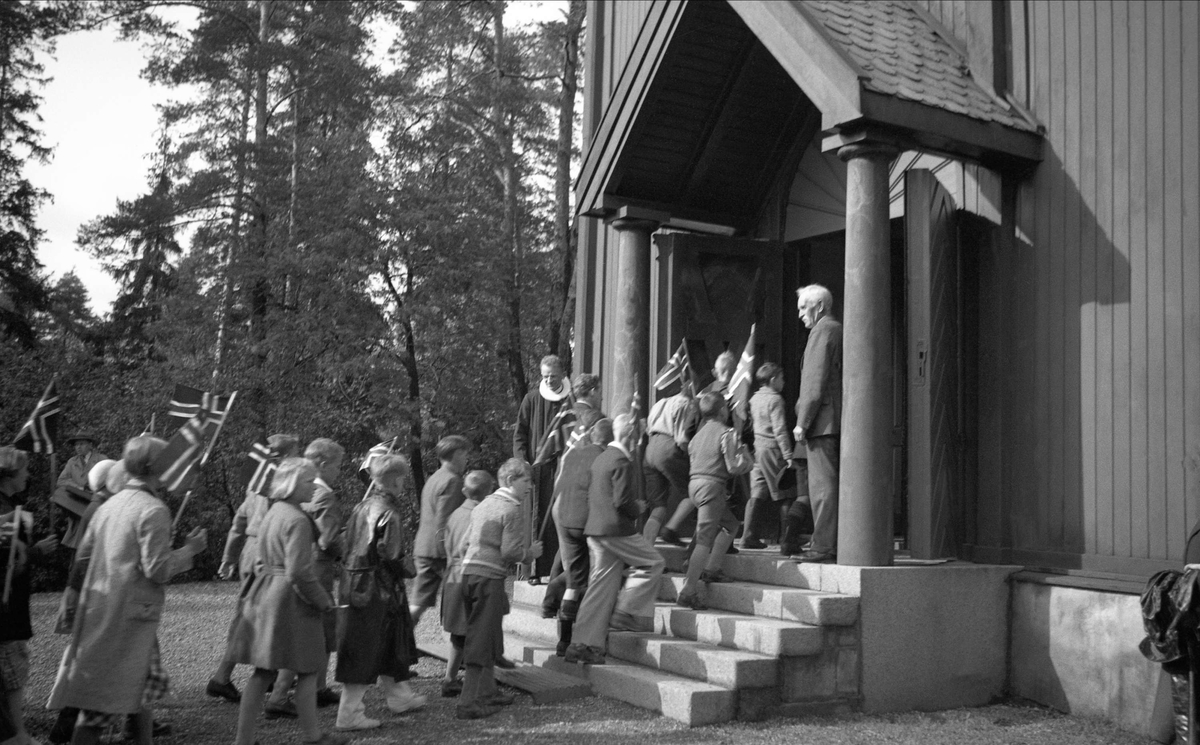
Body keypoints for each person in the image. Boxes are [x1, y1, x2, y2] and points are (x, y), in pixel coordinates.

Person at [48, 436, 208, 745]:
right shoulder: (153, 510)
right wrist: (189, 550)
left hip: (103, 613)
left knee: (136, 696)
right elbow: (158, 570)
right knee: (97, 710)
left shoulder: (110, 505)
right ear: (154, 467)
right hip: (127, 622)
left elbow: (85, 558)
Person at [230, 457, 341, 745]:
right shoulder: (295, 519)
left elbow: (259, 559)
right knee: (306, 668)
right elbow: (299, 572)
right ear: (291, 484)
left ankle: (243, 740)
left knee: (263, 670)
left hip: (266, 593)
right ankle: (313, 736)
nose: (314, 487)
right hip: (290, 601)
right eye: (308, 481)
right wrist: (323, 601)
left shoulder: (274, 511)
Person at [206, 434, 301, 704]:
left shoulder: (255, 486)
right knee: (270, 618)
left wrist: (229, 557)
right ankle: (237, 680)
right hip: (268, 553)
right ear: (282, 456)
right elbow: (282, 523)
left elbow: (238, 522)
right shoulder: (277, 485)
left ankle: (233, 676)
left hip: (250, 550)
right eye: (296, 453)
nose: (299, 458)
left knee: (250, 617)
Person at [565, 415, 665, 665]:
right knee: (653, 563)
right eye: (637, 435)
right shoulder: (621, 461)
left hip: (594, 531)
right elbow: (621, 502)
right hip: (615, 530)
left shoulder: (602, 457)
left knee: (599, 589)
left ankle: (582, 645)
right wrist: (638, 508)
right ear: (630, 435)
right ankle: (625, 611)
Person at [335, 454, 426, 730]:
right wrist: (412, 568)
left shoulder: (361, 506)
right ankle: (349, 713)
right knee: (366, 647)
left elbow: (345, 543)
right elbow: (392, 553)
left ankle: (399, 696)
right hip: (378, 586)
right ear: (398, 480)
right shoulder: (389, 511)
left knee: (388, 642)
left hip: (354, 581)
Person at [457, 459, 543, 719]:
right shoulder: (511, 509)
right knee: (482, 639)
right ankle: (467, 703)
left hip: (468, 574)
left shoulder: (483, 504)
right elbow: (509, 551)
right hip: (489, 579)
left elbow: (463, 544)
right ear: (510, 481)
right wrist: (530, 554)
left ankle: (487, 691)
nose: (530, 487)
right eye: (525, 481)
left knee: (488, 635)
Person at [267, 438, 344, 714]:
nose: (338, 472)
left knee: (304, 636)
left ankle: (303, 690)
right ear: (322, 465)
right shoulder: (322, 495)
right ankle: (309, 690)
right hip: (314, 569)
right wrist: (347, 545)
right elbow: (326, 540)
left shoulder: (285, 503)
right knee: (316, 634)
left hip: (292, 569)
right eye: (337, 466)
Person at [0, 446, 60, 745]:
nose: (28, 474)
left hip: (12, 601)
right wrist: (37, 551)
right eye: (24, 469)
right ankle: (16, 734)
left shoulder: (10, 505)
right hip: (7, 607)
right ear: (10, 473)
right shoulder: (5, 512)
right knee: (13, 670)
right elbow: (9, 556)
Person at [678, 393, 753, 610]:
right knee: (704, 540)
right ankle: (688, 591)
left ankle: (712, 569)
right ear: (723, 411)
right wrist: (747, 460)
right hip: (712, 487)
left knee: (731, 525)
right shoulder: (726, 433)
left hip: (694, 486)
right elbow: (732, 467)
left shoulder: (697, 436)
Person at [540, 373, 605, 620]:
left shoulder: (566, 414)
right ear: (590, 391)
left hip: (563, 493)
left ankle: (550, 602)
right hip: (581, 498)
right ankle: (562, 605)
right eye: (598, 390)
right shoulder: (593, 419)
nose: (600, 395)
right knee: (580, 563)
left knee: (568, 553)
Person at [548, 419, 612, 656]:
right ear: (610, 439)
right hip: (589, 522)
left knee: (574, 582)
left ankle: (563, 642)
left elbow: (558, 487)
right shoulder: (605, 458)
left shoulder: (573, 454)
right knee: (596, 582)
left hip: (564, 517)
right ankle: (585, 642)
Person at [660, 352, 736, 545]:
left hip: (698, 453)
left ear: (715, 371)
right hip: (722, 455)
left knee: (705, 506)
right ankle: (696, 555)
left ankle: (679, 532)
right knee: (712, 507)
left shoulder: (702, 395)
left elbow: (687, 430)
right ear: (734, 370)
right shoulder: (733, 393)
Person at [793, 284, 843, 564]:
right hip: (831, 421)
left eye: (803, 307)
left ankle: (823, 547)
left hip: (822, 424)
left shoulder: (822, 331)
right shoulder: (835, 328)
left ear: (820, 306)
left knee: (822, 489)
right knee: (829, 487)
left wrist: (802, 422)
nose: (800, 314)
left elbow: (813, 381)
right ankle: (826, 544)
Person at [513, 355, 572, 579]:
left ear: (563, 375)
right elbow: (520, 434)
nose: (548, 380)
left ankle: (558, 572)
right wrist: (521, 461)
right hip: (537, 470)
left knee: (562, 518)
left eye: (553, 376)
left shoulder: (571, 401)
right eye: (545, 376)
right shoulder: (531, 399)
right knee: (537, 521)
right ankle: (536, 571)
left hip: (564, 468)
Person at [440, 470, 495, 697]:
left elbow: (445, 543)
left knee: (459, 635)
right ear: (489, 492)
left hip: (452, 575)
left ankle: (450, 679)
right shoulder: (478, 515)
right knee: (475, 633)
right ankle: (478, 686)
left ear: (465, 490)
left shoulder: (454, 514)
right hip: (467, 577)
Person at [410, 435, 470, 626]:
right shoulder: (453, 481)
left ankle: (396, 643)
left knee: (418, 603)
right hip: (439, 553)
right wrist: (452, 554)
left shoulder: (435, 478)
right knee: (463, 600)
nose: (467, 458)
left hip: (424, 547)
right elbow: (445, 522)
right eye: (465, 454)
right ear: (457, 454)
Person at [741, 363, 796, 549]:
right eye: (782, 378)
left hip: (757, 450)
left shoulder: (754, 399)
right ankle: (787, 539)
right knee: (785, 494)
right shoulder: (775, 400)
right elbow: (780, 430)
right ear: (773, 380)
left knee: (757, 493)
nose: (784, 382)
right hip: (773, 450)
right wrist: (788, 455)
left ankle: (748, 536)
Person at [641, 381, 698, 544]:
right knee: (694, 491)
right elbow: (682, 439)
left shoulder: (660, 403)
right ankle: (671, 528)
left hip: (650, 449)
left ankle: (647, 556)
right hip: (668, 448)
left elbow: (648, 427)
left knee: (658, 506)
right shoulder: (686, 404)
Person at [55, 433, 108, 551]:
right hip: (76, 507)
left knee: (94, 544)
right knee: (77, 546)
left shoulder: (102, 459)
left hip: (96, 505)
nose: (78, 447)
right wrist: (79, 488)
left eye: (81, 444)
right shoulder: (72, 462)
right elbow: (61, 481)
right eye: (76, 444)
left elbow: (110, 481)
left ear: (90, 445)